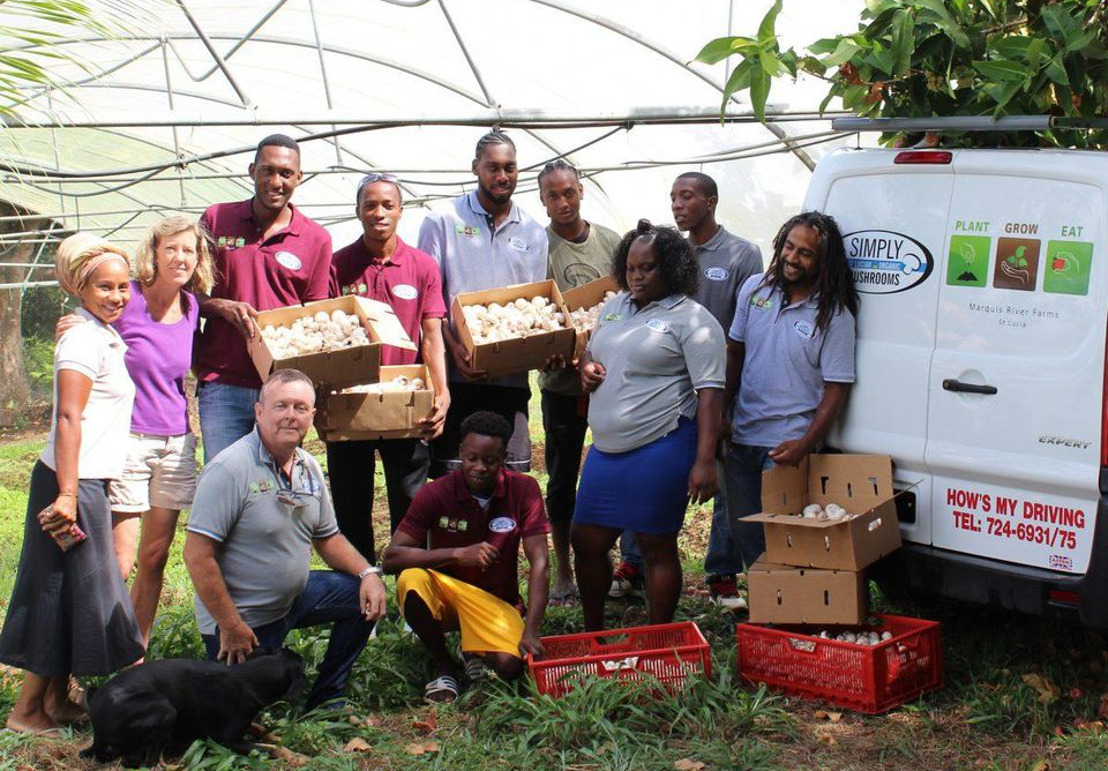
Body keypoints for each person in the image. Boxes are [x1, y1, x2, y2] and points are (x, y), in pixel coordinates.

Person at [0, 233, 143, 735]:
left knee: (66, 592)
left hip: (84, 482)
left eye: (124, 286)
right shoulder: (82, 338)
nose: (118, 296)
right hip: (70, 483)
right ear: (80, 286)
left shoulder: (97, 331)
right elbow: (67, 417)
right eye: (105, 287)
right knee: (58, 589)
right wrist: (65, 494)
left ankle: (56, 702)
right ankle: (25, 711)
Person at [183, 369, 387, 711]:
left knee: (361, 597)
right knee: (242, 713)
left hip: (292, 600)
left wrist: (369, 574)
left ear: (312, 416)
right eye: (281, 406)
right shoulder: (230, 469)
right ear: (259, 411)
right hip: (240, 622)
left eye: (301, 408)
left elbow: (328, 537)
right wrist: (229, 624)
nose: (291, 415)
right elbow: (196, 555)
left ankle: (328, 695)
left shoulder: (308, 467)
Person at [54, 217, 215, 645]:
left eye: (189, 250)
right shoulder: (131, 299)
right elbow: (93, 318)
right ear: (155, 254)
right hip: (130, 441)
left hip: (177, 441)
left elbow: (186, 367)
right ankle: (84, 654)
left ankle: (134, 654)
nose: (181, 258)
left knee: (156, 557)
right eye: (172, 249)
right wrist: (74, 322)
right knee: (120, 561)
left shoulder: (192, 307)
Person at [571, 220, 725, 631]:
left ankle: (658, 636)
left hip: (661, 445)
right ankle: (593, 633)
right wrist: (586, 367)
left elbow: (710, 393)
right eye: (631, 267)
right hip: (606, 449)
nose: (637, 276)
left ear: (671, 268)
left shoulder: (694, 321)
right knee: (586, 540)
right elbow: (590, 351)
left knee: (657, 544)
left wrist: (705, 461)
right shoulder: (615, 305)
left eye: (648, 268)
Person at [722, 211, 858, 574]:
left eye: (805, 253)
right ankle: (767, 613)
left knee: (783, 538)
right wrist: (721, 413)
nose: (792, 258)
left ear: (823, 262)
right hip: (741, 435)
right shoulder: (755, 289)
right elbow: (734, 352)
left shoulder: (835, 316)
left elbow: (836, 388)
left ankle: (787, 614)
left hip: (785, 445)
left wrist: (805, 443)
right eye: (788, 246)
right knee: (746, 533)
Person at [381, 411, 550, 703]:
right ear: (461, 452)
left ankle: (472, 649)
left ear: (505, 457)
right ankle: (444, 665)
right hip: (446, 596)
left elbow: (540, 562)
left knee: (510, 666)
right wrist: (457, 555)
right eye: (472, 458)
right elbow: (391, 558)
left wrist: (532, 630)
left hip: (496, 602)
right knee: (411, 579)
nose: (480, 467)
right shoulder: (436, 493)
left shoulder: (524, 490)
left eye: (490, 460)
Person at [326, 173, 451, 562]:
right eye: (370, 205)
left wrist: (442, 392)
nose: (378, 213)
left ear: (400, 211)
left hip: (404, 396)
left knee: (410, 500)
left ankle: (411, 592)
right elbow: (325, 339)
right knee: (350, 501)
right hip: (351, 399)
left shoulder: (422, 266)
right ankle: (359, 592)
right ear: (358, 211)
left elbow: (431, 334)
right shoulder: (337, 266)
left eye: (387, 205)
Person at [194, 134, 333, 462]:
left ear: (299, 177)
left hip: (282, 388)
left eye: (286, 173)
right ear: (252, 170)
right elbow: (190, 296)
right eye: (267, 171)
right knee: (224, 480)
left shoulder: (316, 239)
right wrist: (221, 306)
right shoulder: (216, 219)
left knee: (274, 487)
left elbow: (316, 318)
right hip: (223, 381)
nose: (276, 181)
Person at [417, 130, 547, 477]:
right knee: (453, 478)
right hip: (457, 379)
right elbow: (429, 299)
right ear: (476, 167)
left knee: (509, 478)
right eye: (493, 167)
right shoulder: (442, 220)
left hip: (510, 382)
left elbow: (534, 307)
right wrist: (455, 346)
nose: (502, 176)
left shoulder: (533, 232)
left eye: (510, 168)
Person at [671, 171, 764, 609]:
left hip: (722, 386)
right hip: (670, 385)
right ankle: (633, 562)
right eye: (673, 197)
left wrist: (729, 399)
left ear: (711, 201)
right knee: (661, 468)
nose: (677, 205)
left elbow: (747, 329)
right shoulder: (668, 252)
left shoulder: (742, 254)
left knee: (726, 479)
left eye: (686, 196)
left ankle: (722, 574)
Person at [535, 159, 621, 605]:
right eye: (553, 195)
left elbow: (627, 299)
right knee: (563, 476)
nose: (563, 202)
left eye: (569, 192)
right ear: (543, 199)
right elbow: (533, 307)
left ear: (581, 190)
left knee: (615, 470)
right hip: (561, 385)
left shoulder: (609, 240)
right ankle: (565, 571)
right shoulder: (537, 245)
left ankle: (619, 562)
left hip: (612, 382)